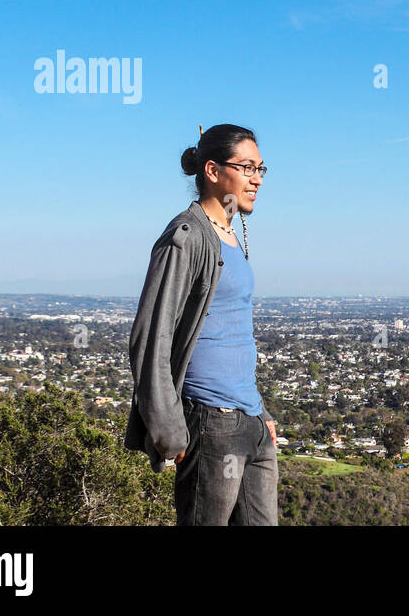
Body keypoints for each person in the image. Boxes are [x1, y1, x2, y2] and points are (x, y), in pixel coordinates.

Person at [124, 123, 277, 525]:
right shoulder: (186, 236)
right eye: (247, 168)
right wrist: (168, 429)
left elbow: (231, 331)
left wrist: (260, 414)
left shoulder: (230, 233)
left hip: (252, 424)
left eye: (261, 168)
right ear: (212, 171)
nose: (257, 179)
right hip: (211, 423)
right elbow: (149, 339)